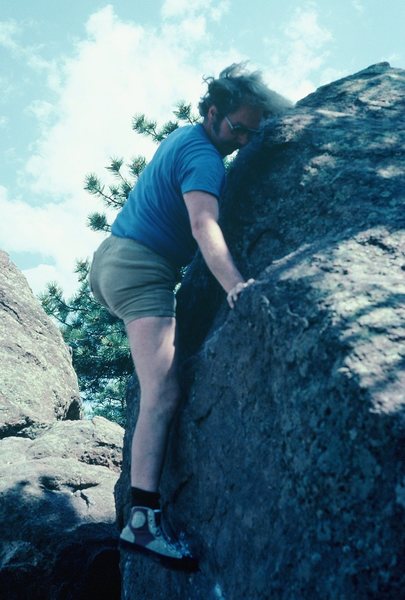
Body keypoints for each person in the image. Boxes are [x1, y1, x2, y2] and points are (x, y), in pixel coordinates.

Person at [89, 63, 289, 571]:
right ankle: (142, 523)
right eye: (237, 128)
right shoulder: (204, 157)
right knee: (164, 391)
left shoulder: (185, 137)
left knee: (157, 382)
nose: (243, 139)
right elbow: (203, 225)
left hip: (114, 257)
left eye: (252, 130)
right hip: (139, 267)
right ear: (212, 113)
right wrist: (236, 287)